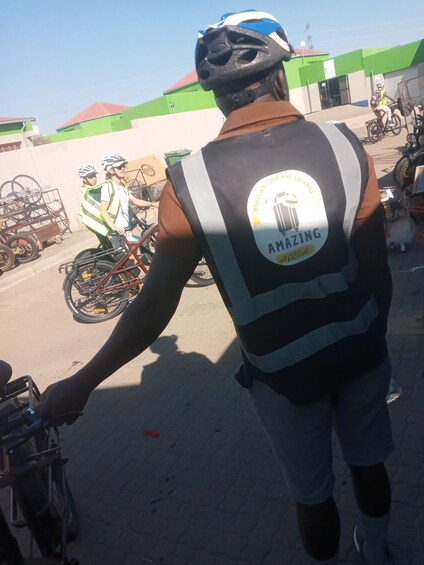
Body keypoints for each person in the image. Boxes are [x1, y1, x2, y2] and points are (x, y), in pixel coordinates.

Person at [37, 10, 394, 565]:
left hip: (281, 376)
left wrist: (83, 384)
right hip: (361, 347)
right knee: (368, 463)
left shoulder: (189, 183)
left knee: (313, 494)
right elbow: (377, 267)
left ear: (218, 98)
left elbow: (155, 304)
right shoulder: (344, 145)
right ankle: (379, 550)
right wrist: (375, 340)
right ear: (281, 77)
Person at [99, 153, 158, 249]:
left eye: (123, 166)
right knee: (130, 258)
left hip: (126, 231)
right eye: (119, 167)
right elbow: (103, 210)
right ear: (111, 170)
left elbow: (135, 201)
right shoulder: (107, 187)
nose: (122, 168)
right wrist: (114, 227)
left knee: (140, 249)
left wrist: (153, 204)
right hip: (118, 234)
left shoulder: (122, 187)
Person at [77, 163, 111, 250]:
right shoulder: (90, 190)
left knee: (106, 243)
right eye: (90, 177)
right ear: (84, 179)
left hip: (91, 221)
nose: (94, 178)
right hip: (94, 221)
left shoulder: (87, 188)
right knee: (109, 244)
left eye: (94, 175)